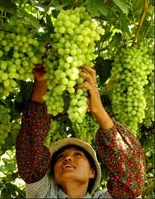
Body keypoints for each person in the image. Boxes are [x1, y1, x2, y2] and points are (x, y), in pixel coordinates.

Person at [15, 65, 146, 198]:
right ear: (53, 174)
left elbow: (131, 179)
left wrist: (99, 111)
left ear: (92, 172)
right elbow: (29, 149)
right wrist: (42, 82)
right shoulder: (42, 193)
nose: (67, 158)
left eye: (78, 154)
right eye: (60, 157)